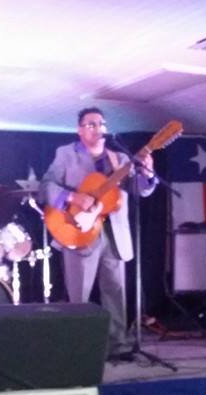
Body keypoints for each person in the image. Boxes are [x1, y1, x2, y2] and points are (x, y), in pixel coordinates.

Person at [42, 107, 158, 359]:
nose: (97, 128)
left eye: (101, 124)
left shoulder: (121, 159)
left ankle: (117, 346)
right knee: (79, 297)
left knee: (115, 291)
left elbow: (141, 190)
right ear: (80, 130)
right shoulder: (66, 154)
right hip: (78, 231)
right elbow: (46, 186)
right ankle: (78, 350)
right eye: (91, 124)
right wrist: (73, 197)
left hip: (114, 234)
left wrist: (148, 173)